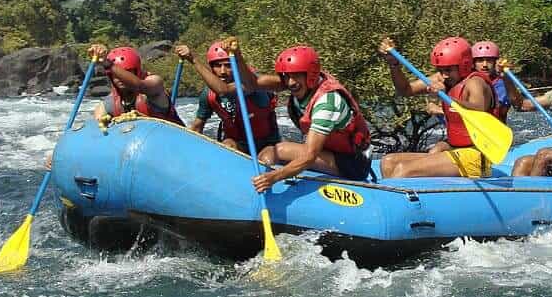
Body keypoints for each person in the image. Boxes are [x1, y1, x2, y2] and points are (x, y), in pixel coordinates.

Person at [235, 44, 372, 191]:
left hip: (354, 164)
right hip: (331, 152)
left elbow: (309, 156)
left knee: (276, 150)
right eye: (286, 76)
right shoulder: (302, 83)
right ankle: (252, 181)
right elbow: (252, 83)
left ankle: (260, 185)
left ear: (311, 75)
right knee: (271, 151)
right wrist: (237, 55)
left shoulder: (327, 102)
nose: (290, 82)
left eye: (295, 75)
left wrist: (274, 178)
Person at [378, 36, 499, 178]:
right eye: (440, 70)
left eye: (448, 70)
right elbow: (405, 90)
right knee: (388, 162)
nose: (444, 75)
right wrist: (394, 65)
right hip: (455, 148)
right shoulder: (443, 77)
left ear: (464, 65)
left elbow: (478, 109)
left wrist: (445, 97)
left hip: (477, 155)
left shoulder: (475, 82)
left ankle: (400, 198)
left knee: (403, 170)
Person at [174, 40, 280, 153]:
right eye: (218, 66)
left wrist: (193, 59)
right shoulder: (208, 94)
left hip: (267, 145)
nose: (223, 71)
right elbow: (197, 126)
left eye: (228, 65)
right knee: (227, 146)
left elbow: (224, 90)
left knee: (266, 158)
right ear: (211, 68)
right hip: (237, 144)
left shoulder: (251, 85)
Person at [89, 44, 184, 125]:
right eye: (115, 75)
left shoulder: (155, 83)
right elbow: (96, 124)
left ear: (137, 72)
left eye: (127, 73)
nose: (120, 78)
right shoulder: (110, 102)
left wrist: (107, 64)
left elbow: (139, 86)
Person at [471, 40, 510, 123]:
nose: (485, 65)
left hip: (495, 130)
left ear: (495, 63)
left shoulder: (501, 85)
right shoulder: (467, 82)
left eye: (489, 60)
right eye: (480, 60)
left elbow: (489, 109)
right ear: (473, 63)